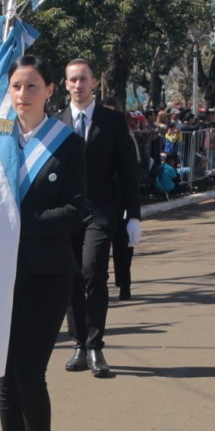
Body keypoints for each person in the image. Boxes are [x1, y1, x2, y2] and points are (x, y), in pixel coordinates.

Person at [0, 54, 86, 431]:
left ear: (50, 90)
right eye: (15, 86)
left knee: (28, 371)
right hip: (0, 276)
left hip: (49, 272)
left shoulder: (66, 142)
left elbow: (78, 210)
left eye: (32, 86)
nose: (22, 95)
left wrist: (24, 226)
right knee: (7, 381)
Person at [60, 58, 141, 379]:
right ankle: (79, 343)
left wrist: (133, 215)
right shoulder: (56, 123)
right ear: (65, 84)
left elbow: (128, 171)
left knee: (93, 270)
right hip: (65, 214)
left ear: (94, 83)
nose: (78, 85)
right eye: (72, 80)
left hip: (100, 211)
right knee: (72, 278)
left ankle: (95, 345)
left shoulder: (112, 121)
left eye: (83, 79)